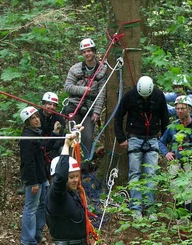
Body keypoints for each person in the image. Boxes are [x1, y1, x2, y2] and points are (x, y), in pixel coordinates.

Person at [114, 75, 169, 220]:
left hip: (152, 139)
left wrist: (164, 140)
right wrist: (121, 138)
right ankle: (136, 209)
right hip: (134, 138)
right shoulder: (130, 96)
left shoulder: (158, 96)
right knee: (135, 174)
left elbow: (165, 118)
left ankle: (151, 208)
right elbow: (118, 116)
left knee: (151, 174)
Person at [64, 38, 107, 170]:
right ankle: (71, 164)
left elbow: (101, 93)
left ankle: (86, 164)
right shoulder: (75, 69)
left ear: (94, 52)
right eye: (84, 52)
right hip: (75, 107)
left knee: (88, 137)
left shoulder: (101, 70)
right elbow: (68, 87)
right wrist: (84, 90)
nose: (87, 54)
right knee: (73, 137)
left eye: (89, 51)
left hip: (89, 109)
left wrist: (97, 112)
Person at [19, 106, 49, 245]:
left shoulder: (37, 134)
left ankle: (37, 234)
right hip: (34, 179)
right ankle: (28, 241)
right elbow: (28, 162)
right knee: (31, 208)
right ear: (27, 122)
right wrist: (33, 182)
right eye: (33, 118)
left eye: (37, 116)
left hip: (41, 176)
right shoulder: (27, 138)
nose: (37, 119)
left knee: (42, 204)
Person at [38, 91, 66, 164]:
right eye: (49, 104)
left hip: (55, 147)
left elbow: (62, 135)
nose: (52, 107)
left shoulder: (58, 118)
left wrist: (55, 148)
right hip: (40, 147)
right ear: (43, 104)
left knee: (64, 150)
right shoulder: (37, 117)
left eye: (54, 105)